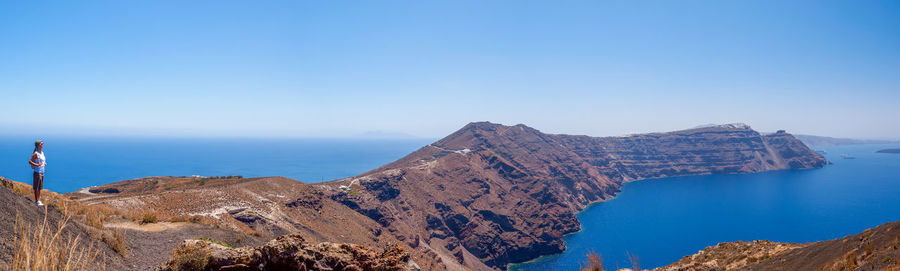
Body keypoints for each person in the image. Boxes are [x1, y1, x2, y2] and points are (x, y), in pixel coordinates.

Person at [28, 140, 46, 206]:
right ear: (38, 145)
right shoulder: (36, 153)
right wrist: (36, 165)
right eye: (42, 143)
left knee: (40, 187)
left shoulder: (42, 153)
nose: (43, 144)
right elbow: (29, 161)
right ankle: (36, 201)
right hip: (37, 172)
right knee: (36, 187)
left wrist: (44, 163)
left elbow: (42, 161)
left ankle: (38, 200)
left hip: (42, 172)